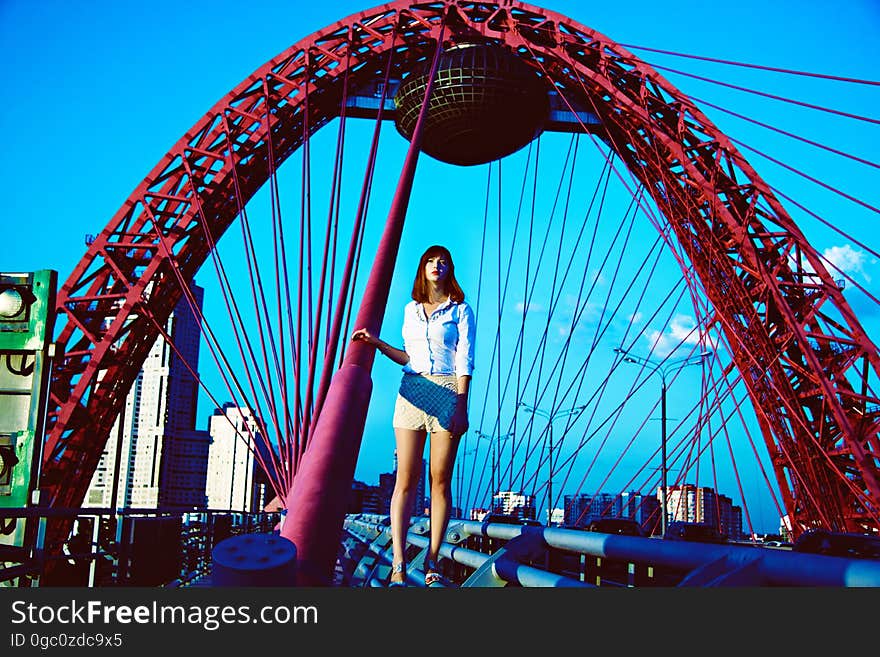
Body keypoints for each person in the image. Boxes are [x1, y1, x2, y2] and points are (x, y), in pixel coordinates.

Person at [351, 244, 476, 587]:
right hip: (411, 389)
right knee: (405, 480)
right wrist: (377, 343)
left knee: (439, 480)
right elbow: (409, 357)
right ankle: (399, 565)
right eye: (431, 261)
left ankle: (433, 560)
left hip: (447, 390)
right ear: (422, 270)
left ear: (450, 270)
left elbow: (464, 360)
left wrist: (461, 404)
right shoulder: (410, 310)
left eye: (443, 261)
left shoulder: (461, 311)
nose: (437, 265)